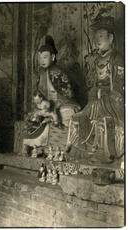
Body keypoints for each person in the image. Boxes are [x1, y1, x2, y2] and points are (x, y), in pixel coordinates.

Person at [67, 14, 124, 163]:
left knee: (96, 108)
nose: (97, 39)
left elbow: (119, 83)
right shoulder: (97, 60)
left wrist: (106, 99)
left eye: (101, 36)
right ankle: (80, 150)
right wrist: (93, 98)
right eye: (96, 36)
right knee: (79, 116)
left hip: (112, 101)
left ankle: (104, 152)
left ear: (111, 38)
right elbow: (93, 85)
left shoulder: (117, 58)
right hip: (97, 99)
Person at [37, 35, 80, 127]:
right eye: (39, 58)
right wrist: (40, 103)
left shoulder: (57, 72)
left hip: (62, 104)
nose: (42, 61)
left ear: (52, 57)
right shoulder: (43, 73)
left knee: (66, 118)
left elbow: (67, 93)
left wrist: (55, 106)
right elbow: (40, 93)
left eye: (45, 57)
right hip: (48, 105)